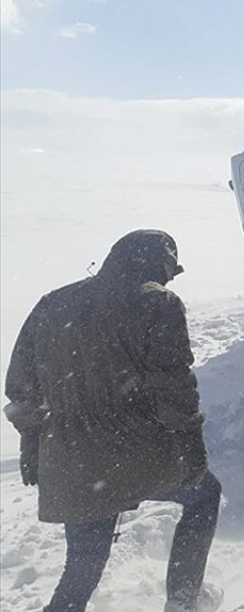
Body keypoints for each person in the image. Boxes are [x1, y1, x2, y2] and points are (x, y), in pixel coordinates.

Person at [3, 230, 221, 612]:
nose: (168, 279)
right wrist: (191, 445)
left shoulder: (52, 304)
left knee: (83, 563)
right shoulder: (159, 303)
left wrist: (31, 443)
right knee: (203, 495)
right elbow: (174, 385)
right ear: (158, 262)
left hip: (70, 456)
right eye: (169, 269)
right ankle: (183, 601)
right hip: (134, 446)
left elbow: (21, 388)